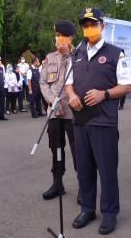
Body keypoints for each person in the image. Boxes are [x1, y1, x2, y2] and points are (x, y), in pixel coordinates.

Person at [65, 8, 131, 235]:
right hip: (81, 121)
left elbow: (127, 86)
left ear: (103, 26)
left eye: (93, 24)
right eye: (85, 25)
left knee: (107, 170)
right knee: (84, 169)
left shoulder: (116, 53)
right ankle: (87, 209)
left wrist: (104, 94)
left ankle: (110, 213)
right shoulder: (77, 53)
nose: (89, 28)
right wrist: (72, 95)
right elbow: (68, 83)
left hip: (104, 121)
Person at [39, 20, 78, 202]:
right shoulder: (50, 57)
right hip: (54, 112)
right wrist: (52, 101)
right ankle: (57, 183)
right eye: (56, 35)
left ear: (70, 38)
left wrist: (66, 56)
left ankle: (84, 186)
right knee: (56, 148)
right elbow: (43, 82)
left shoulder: (79, 56)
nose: (58, 38)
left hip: (73, 113)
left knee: (79, 150)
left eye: (61, 35)